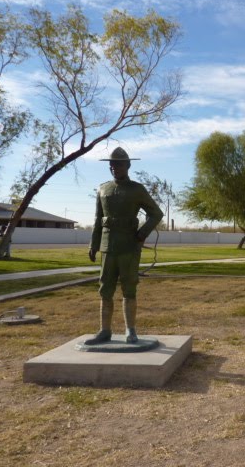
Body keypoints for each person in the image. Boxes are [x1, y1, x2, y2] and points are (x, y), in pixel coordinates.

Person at [86, 147, 163, 345]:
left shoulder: (137, 189)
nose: (114, 167)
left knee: (129, 288)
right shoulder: (103, 189)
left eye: (118, 164)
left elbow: (156, 213)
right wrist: (94, 244)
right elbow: (97, 219)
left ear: (128, 165)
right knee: (105, 289)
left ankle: (130, 330)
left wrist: (142, 234)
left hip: (129, 246)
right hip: (108, 247)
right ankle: (104, 330)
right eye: (111, 164)